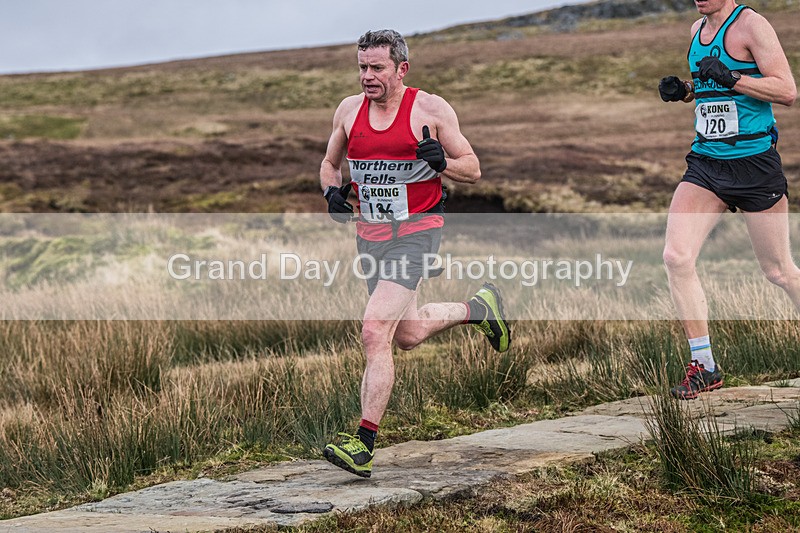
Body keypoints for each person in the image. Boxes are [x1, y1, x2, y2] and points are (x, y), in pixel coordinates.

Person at [319, 29, 511, 477]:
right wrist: (331, 193)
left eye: (377, 68)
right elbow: (330, 164)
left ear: (401, 69)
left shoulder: (430, 109)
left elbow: (474, 169)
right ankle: (478, 308)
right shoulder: (348, 111)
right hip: (370, 235)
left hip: (418, 232)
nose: (368, 76)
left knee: (373, 330)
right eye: (362, 67)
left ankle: (363, 442)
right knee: (403, 335)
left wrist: (442, 162)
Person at [658, 1, 797, 400]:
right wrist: (684, 91)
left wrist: (733, 77)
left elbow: (786, 90)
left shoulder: (752, 25)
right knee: (676, 257)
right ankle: (704, 366)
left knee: (779, 272)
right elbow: (710, 88)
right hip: (707, 165)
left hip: (755, 166)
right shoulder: (695, 32)